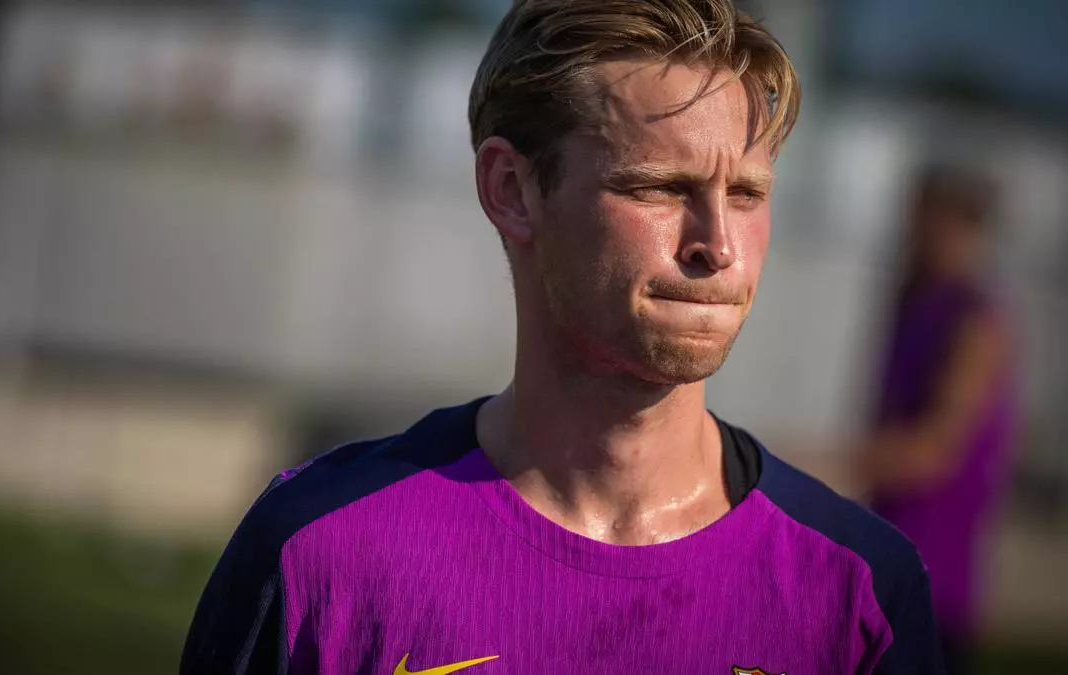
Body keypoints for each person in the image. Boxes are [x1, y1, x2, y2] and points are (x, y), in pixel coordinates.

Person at [181, 2, 944, 673]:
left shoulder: (860, 590)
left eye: (746, 193)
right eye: (659, 187)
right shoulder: (318, 549)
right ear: (512, 191)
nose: (718, 243)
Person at [863, 165, 1017, 672]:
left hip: (937, 583)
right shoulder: (910, 299)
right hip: (883, 562)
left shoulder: (975, 323)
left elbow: (933, 451)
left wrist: (800, 467)